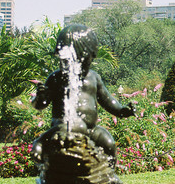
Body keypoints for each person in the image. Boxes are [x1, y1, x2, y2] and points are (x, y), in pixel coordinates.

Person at [31, 24, 135, 167]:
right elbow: (40, 105)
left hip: (90, 130)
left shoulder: (93, 78)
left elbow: (107, 100)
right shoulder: (56, 78)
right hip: (63, 128)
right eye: (67, 59)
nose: (74, 64)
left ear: (91, 56)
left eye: (81, 60)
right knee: (43, 142)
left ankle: (108, 171)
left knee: (108, 143)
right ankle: (42, 157)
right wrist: (41, 98)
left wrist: (122, 110)